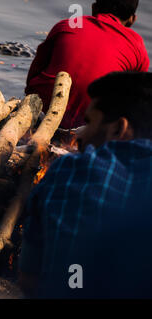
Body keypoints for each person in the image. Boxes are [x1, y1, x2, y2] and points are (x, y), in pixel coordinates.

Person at [19, 72, 152, 298]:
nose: (80, 136)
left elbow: (29, 279)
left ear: (118, 128)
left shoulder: (71, 172)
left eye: (89, 122)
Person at [26, 0, 149, 129]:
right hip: (90, 124)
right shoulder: (138, 46)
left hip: (42, 111)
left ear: (94, 8)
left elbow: (32, 77)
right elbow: (136, 100)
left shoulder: (67, 25)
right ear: (132, 19)